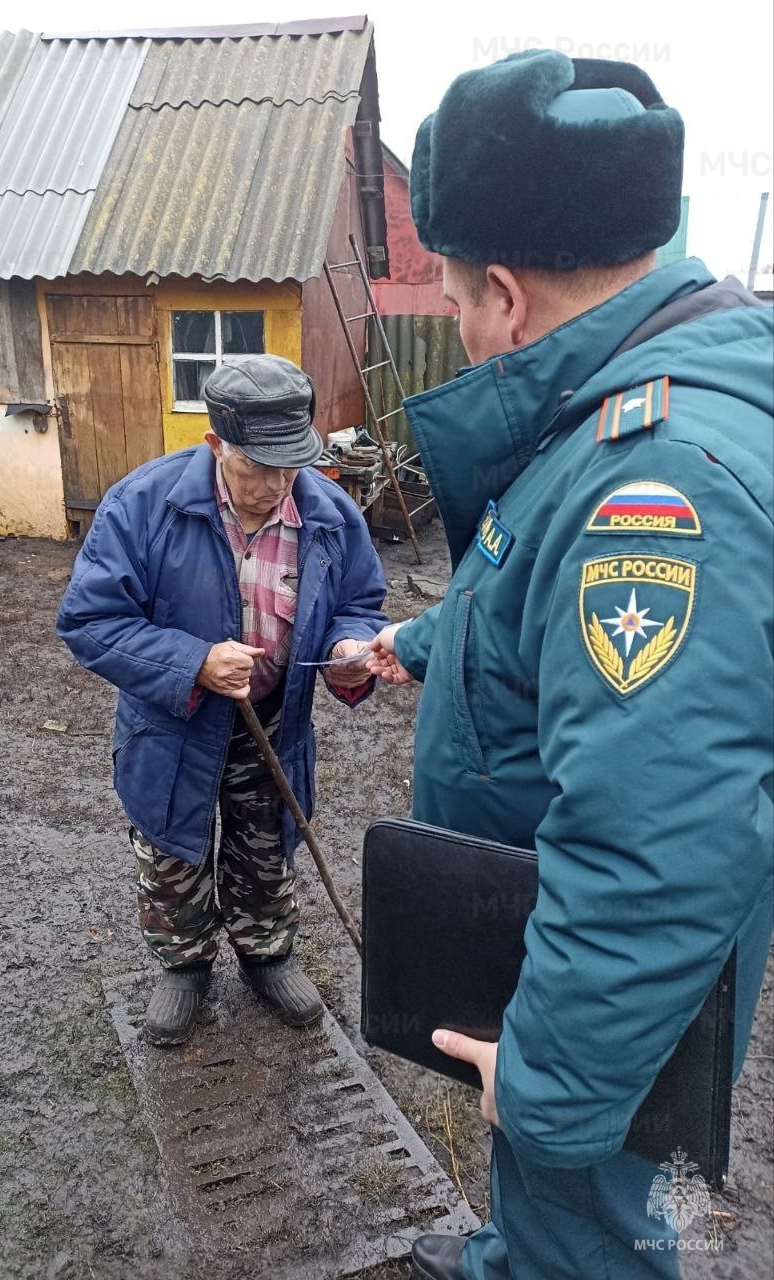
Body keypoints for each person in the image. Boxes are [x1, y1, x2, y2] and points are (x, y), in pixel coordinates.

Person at [367, 49, 774, 1280]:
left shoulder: (655, 487)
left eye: (449, 298)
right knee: (548, 1210)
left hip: (591, 981)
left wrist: (546, 1079)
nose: (455, 323)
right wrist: (418, 641)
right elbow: (532, 601)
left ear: (504, 291)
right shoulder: (630, 399)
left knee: (587, 1217)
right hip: (551, 946)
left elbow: (659, 848)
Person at [57, 354, 387, 1046]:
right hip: (173, 726)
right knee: (172, 852)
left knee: (265, 848)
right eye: (256, 468)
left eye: (289, 466)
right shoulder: (141, 505)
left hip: (275, 721)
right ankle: (183, 967)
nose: (275, 486)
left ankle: (267, 955)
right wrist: (194, 661)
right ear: (216, 445)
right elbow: (87, 622)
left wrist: (352, 652)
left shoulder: (327, 513)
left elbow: (357, 601)